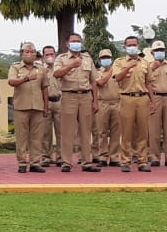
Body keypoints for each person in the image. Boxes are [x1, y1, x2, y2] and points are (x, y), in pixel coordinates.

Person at [52, 33, 100, 172]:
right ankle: (66, 162)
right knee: (67, 131)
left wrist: (95, 101)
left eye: (78, 41)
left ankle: (86, 161)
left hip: (86, 96)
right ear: (67, 44)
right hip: (69, 95)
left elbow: (93, 81)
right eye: (73, 41)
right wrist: (71, 65)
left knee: (86, 131)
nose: (76, 43)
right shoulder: (61, 58)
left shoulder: (87, 58)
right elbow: (56, 74)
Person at [112, 36, 152, 172]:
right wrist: (128, 67)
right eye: (129, 45)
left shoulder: (145, 62)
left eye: (134, 44)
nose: (132, 47)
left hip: (142, 98)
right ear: (124, 47)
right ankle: (126, 161)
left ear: (138, 45)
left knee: (143, 132)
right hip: (126, 97)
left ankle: (142, 161)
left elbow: (149, 83)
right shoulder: (119, 62)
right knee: (127, 131)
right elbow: (117, 78)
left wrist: (152, 101)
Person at [7, 42, 47, 173]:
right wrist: (26, 78)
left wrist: (46, 106)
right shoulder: (16, 67)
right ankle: (22, 163)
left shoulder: (41, 68)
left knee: (37, 137)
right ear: (22, 54)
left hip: (38, 107)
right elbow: (11, 82)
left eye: (33, 52)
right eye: (27, 52)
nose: (30, 54)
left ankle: (35, 162)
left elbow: (44, 88)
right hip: (21, 107)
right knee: (22, 137)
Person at [147, 40, 167, 167]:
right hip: (155, 98)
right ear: (152, 52)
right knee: (154, 129)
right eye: (157, 51)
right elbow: (144, 82)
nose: (160, 53)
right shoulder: (147, 67)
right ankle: (154, 156)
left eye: (162, 50)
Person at [93, 49, 122, 168]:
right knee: (102, 131)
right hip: (102, 102)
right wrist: (111, 72)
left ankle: (114, 156)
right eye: (103, 57)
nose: (106, 59)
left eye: (108, 57)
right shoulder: (97, 72)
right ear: (100, 60)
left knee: (116, 132)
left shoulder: (118, 72)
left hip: (116, 102)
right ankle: (103, 156)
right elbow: (100, 82)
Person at [40, 45, 63, 167]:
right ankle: (45, 156)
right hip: (46, 102)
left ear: (55, 55)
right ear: (43, 56)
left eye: (51, 54)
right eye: (47, 55)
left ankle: (61, 157)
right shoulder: (40, 69)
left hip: (59, 101)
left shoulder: (60, 68)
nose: (49, 57)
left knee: (61, 131)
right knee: (45, 132)